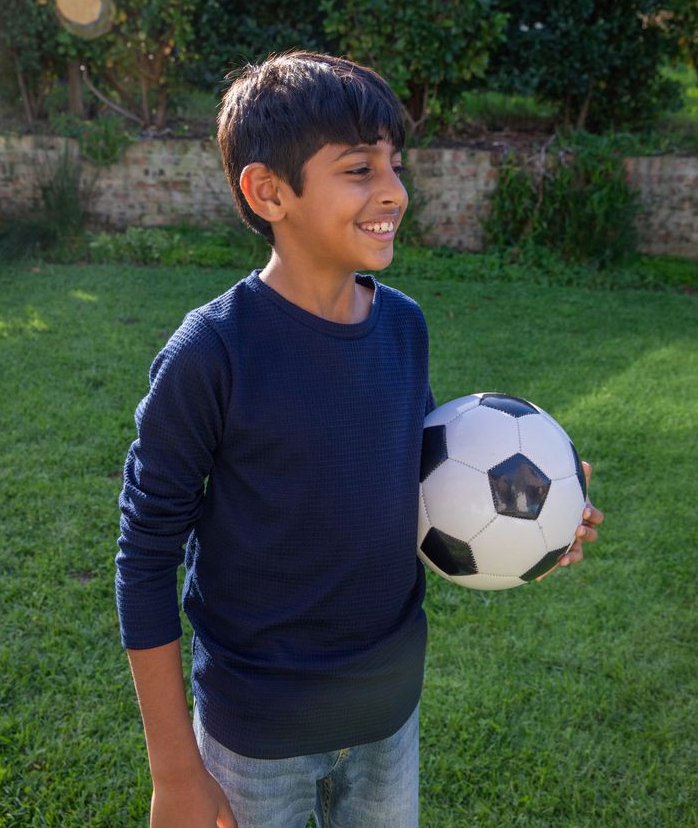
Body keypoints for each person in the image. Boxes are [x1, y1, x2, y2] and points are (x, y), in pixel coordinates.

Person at [115, 50, 603, 828]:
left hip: (387, 717)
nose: (394, 191)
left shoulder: (403, 325)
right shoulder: (211, 353)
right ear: (268, 191)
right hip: (255, 734)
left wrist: (537, 507)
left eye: (394, 165)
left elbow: (413, 483)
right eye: (358, 169)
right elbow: (145, 558)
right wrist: (177, 771)